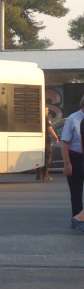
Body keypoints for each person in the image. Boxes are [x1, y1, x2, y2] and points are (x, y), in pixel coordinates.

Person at [62, 96, 84, 231]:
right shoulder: (73, 118)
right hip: (75, 157)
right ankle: (76, 218)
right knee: (76, 190)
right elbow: (64, 143)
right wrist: (67, 163)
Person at [37, 106, 59, 180]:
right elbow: (50, 129)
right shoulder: (46, 119)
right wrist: (56, 137)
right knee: (47, 157)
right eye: (47, 110)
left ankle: (38, 174)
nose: (48, 111)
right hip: (46, 141)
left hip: (39, 141)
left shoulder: (38, 119)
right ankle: (45, 174)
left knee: (39, 157)